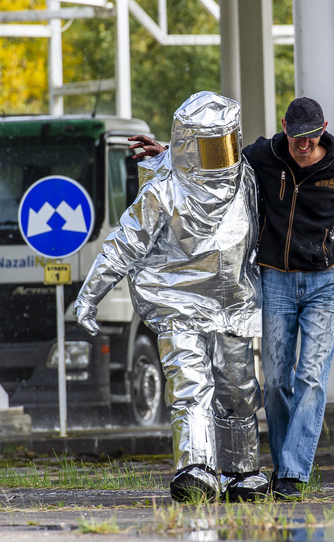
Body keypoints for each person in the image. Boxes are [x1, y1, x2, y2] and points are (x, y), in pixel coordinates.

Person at [72, 91, 269, 503]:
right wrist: (89, 296)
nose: (220, 156)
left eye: (225, 144)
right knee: (190, 386)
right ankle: (195, 467)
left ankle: (241, 471)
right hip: (177, 305)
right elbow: (123, 243)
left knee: (237, 388)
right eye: (209, 147)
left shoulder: (244, 179)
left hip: (230, 305)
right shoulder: (163, 192)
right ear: (189, 146)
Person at [243, 97, 334, 500]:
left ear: (321, 128)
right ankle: (283, 464)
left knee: (310, 376)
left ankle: (291, 473)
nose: (302, 144)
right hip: (277, 281)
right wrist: (170, 153)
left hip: (326, 282)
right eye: (295, 136)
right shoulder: (265, 154)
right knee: (274, 382)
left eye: (310, 137)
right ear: (285, 127)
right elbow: (221, 164)